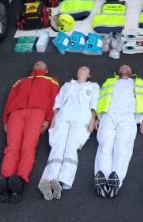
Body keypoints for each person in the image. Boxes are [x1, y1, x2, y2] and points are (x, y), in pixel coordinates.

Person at [0, 61, 60, 203]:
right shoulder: (21, 81)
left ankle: (19, 180)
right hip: (16, 113)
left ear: (47, 69)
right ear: (33, 67)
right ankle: (5, 179)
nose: (38, 63)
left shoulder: (52, 80)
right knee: (12, 147)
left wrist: (49, 119)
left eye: (42, 63)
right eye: (36, 63)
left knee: (28, 146)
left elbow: (54, 101)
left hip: (38, 112)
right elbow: (9, 100)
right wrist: (5, 120)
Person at [38, 66, 100, 201]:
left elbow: (94, 103)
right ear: (77, 73)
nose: (83, 69)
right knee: (58, 146)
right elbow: (58, 102)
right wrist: (54, 117)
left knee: (71, 147)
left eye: (86, 69)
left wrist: (93, 119)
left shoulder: (94, 86)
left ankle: (61, 180)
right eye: (81, 68)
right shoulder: (67, 85)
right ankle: (48, 179)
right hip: (63, 116)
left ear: (89, 75)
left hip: (81, 118)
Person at [94, 64, 143, 198]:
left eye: (127, 67)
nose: (124, 68)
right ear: (118, 72)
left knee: (122, 146)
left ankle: (116, 179)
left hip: (129, 115)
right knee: (105, 145)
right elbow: (100, 98)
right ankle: (101, 177)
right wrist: (97, 116)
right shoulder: (109, 82)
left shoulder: (141, 83)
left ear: (132, 72)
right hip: (108, 114)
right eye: (122, 67)